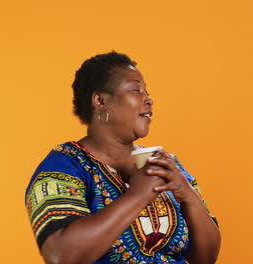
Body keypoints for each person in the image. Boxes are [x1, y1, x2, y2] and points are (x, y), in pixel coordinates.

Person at [25, 51, 220, 264]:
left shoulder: (165, 164)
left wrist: (187, 194)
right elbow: (61, 256)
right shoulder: (65, 165)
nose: (149, 99)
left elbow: (206, 259)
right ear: (100, 100)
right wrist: (139, 195)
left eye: (147, 91)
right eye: (136, 90)